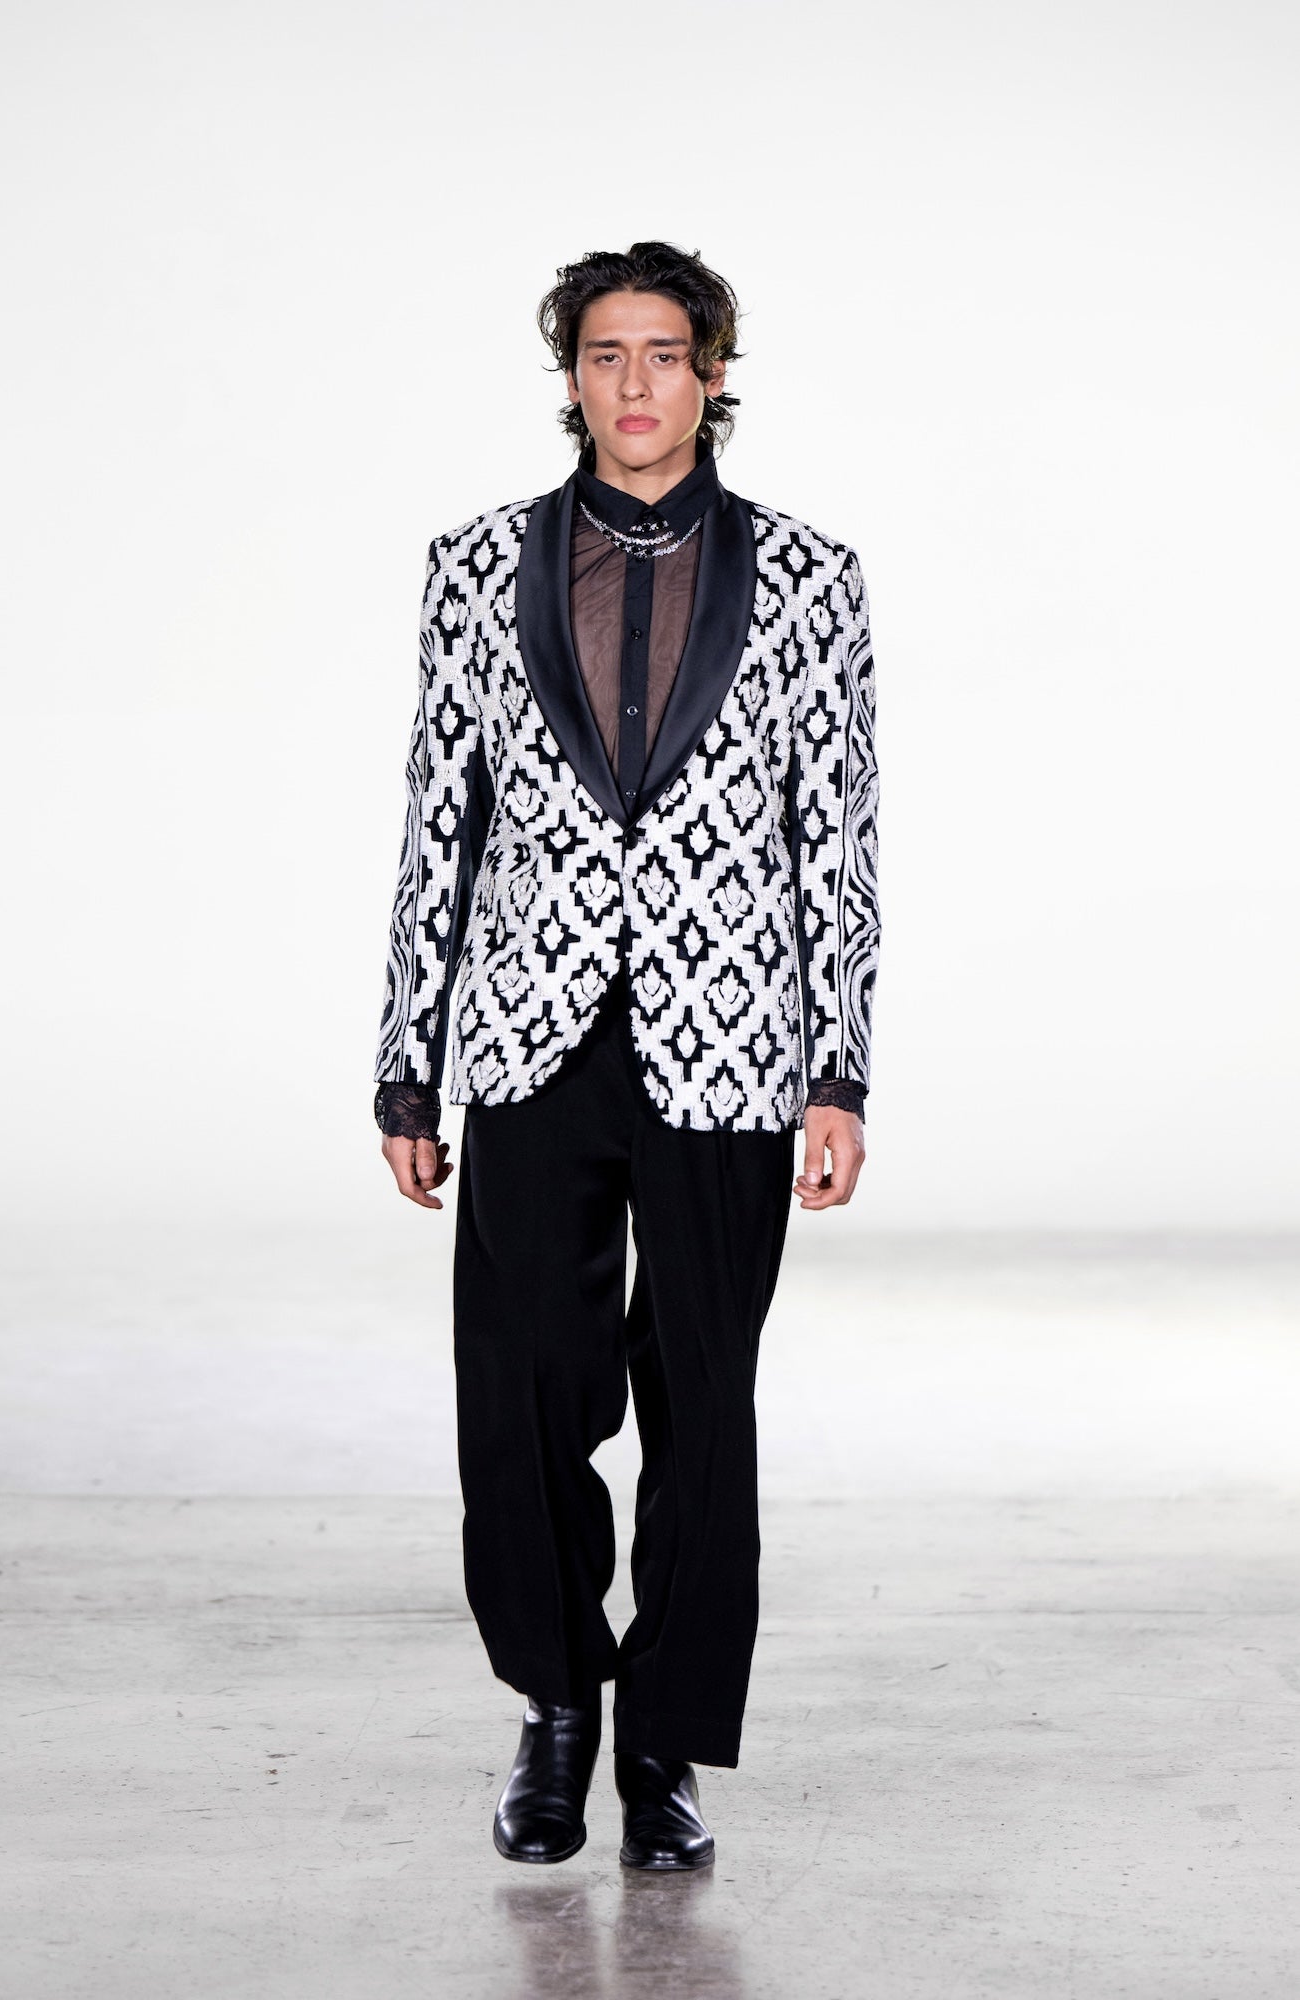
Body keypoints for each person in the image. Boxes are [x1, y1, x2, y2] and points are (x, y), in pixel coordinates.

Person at [373, 240, 880, 1871]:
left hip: (732, 1043)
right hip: (531, 1038)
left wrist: (838, 1070)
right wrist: (407, 1064)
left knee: (703, 1401)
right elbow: (439, 823)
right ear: (573, 378)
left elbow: (836, 834)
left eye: (665, 353)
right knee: (524, 1388)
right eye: (606, 355)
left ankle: (662, 1745)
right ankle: (555, 1709)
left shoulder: (809, 576)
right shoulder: (475, 565)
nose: (637, 382)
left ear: (712, 376)